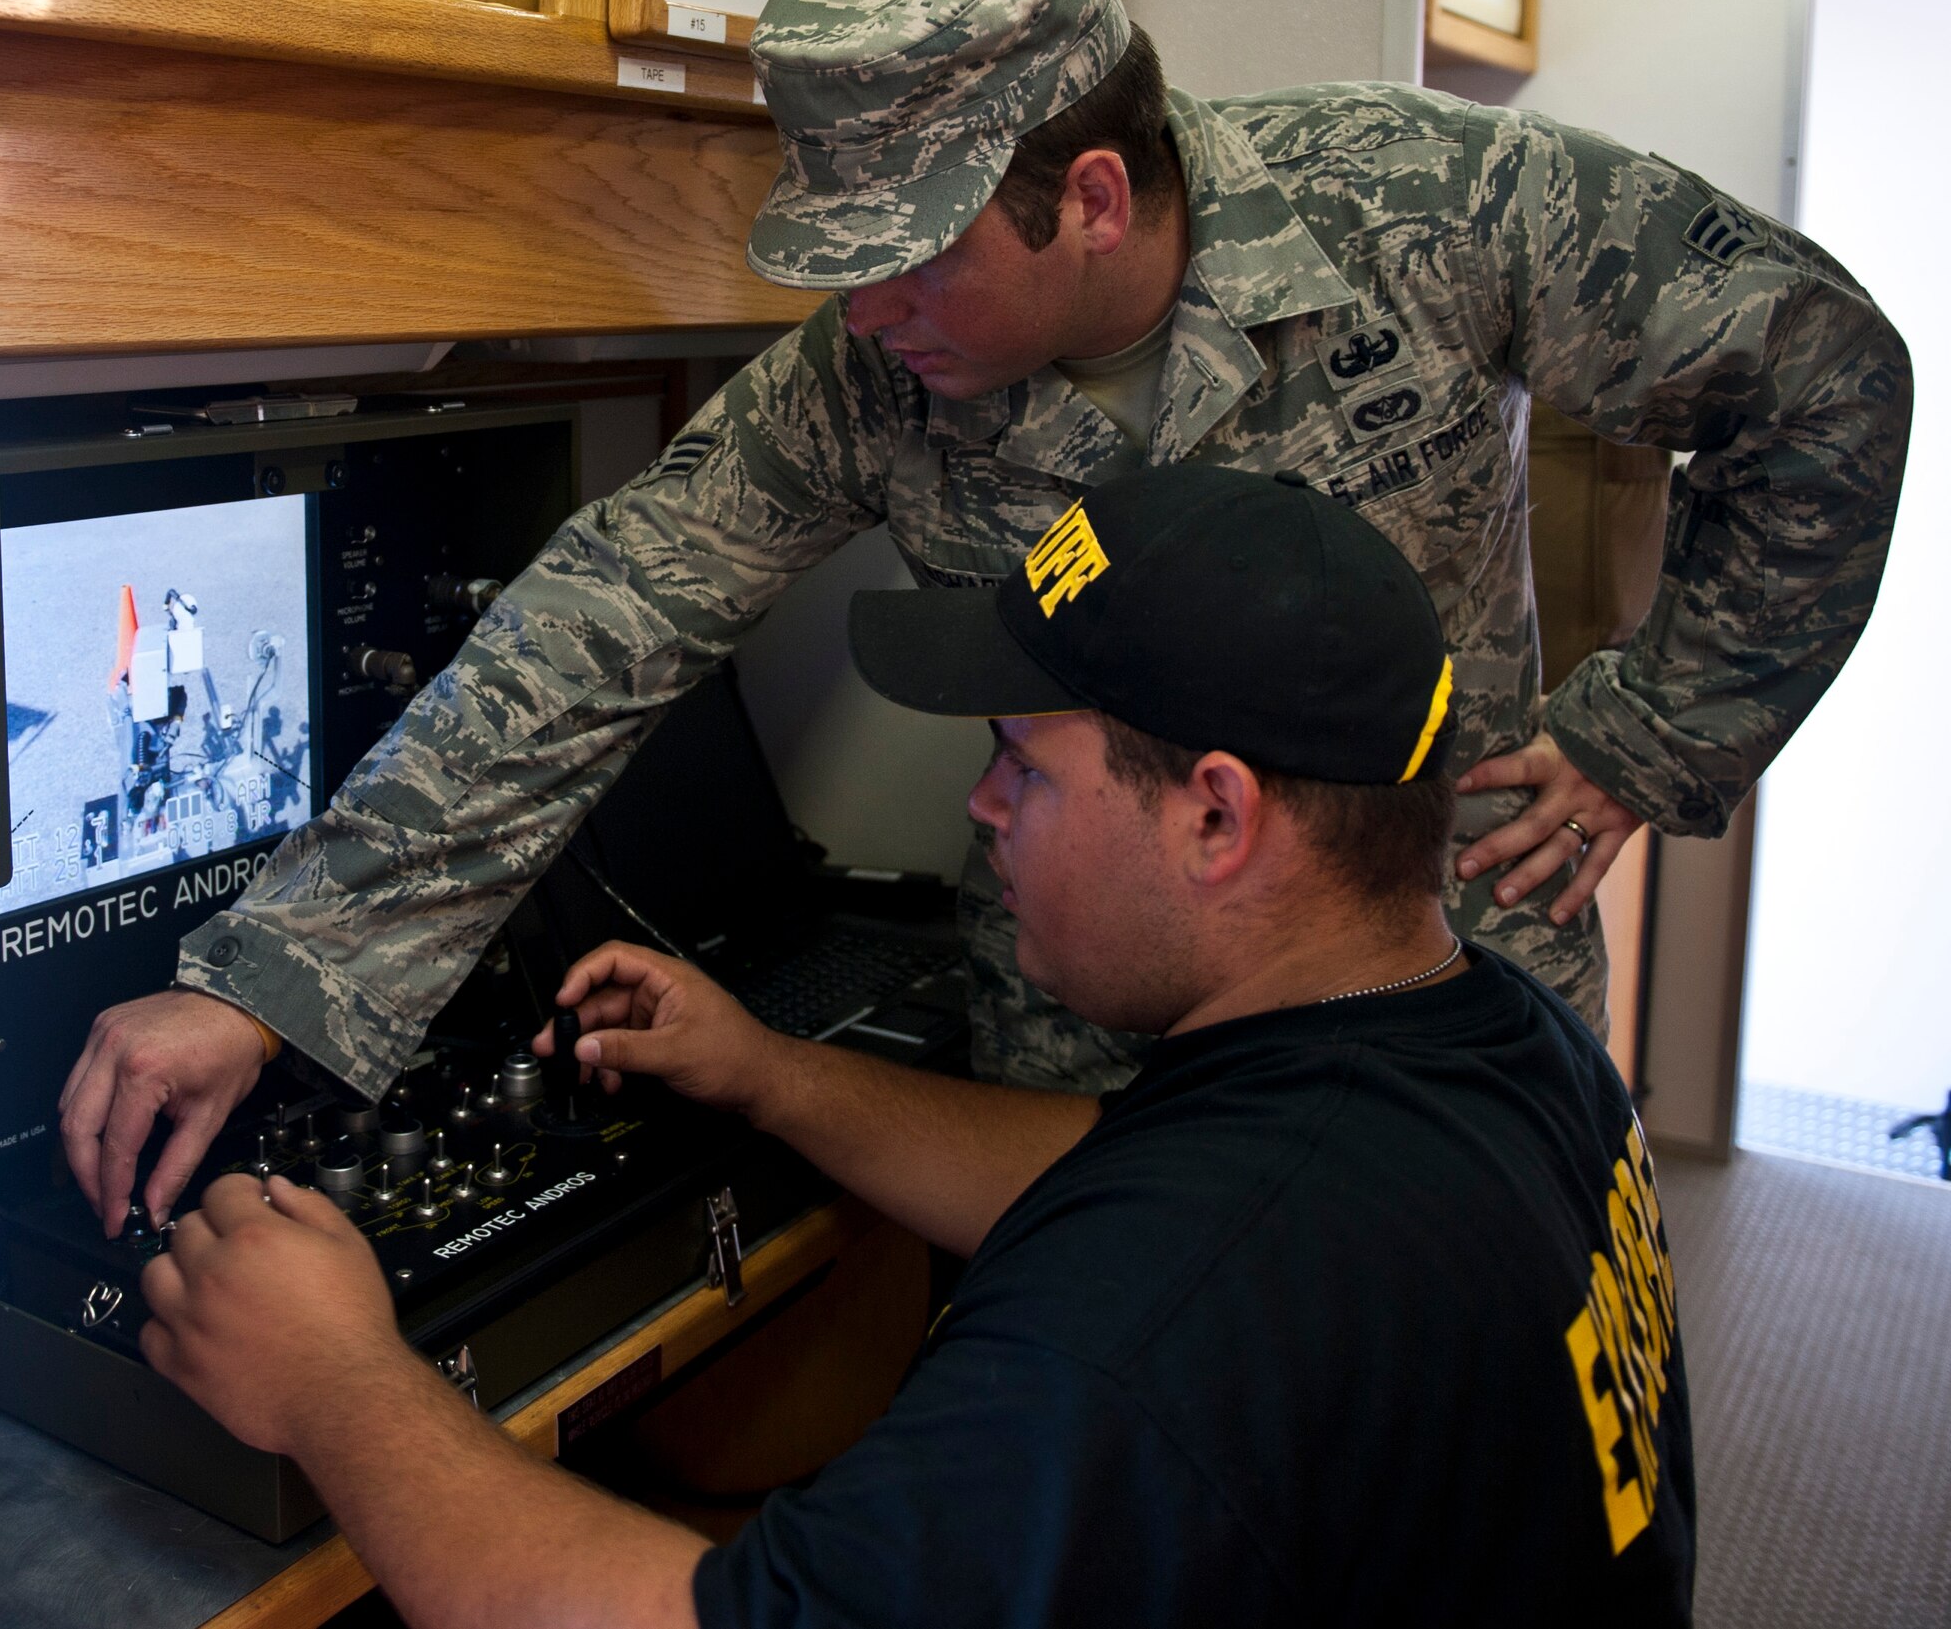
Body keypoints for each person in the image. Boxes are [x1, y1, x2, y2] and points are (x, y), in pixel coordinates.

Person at [62, 0, 1910, 1237]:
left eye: (909, 252)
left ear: (1091, 194)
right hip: (1089, 1036)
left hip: (1436, 998)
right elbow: (599, 617)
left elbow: (1829, 375)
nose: (862, 310)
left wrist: (1651, 735)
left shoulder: (1430, 207)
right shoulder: (872, 377)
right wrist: (271, 968)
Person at [139, 468, 1696, 1627]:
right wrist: (768, 1068)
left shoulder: (1161, 1322)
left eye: (1022, 760)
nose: (981, 805)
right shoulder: (1498, 1044)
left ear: (1217, 814)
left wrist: (335, 1376)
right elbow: (1117, 1171)